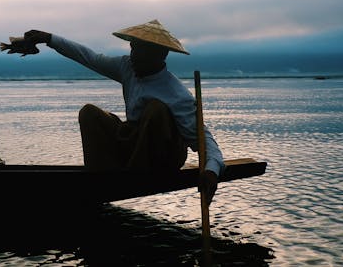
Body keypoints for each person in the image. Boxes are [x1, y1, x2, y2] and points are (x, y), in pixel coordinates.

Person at [15, 19, 222, 203]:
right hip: (133, 145)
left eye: (141, 53)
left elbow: (205, 141)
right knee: (89, 113)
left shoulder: (177, 94)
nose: (134, 57)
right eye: (133, 50)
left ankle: (131, 176)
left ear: (160, 55)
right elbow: (89, 57)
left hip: (162, 159)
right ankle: (101, 178)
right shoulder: (128, 67)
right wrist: (50, 39)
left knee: (155, 110)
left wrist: (211, 170)